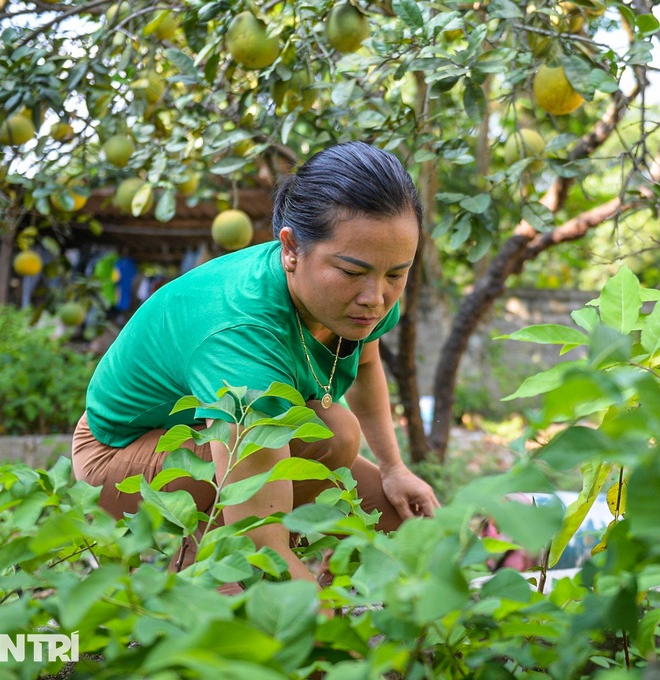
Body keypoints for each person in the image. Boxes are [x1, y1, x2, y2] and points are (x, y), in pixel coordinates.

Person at [71, 141, 439, 584]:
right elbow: (260, 544)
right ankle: (196, 582)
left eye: (396, 274)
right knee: (260, 572)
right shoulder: (240, 334)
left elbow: (363, 365)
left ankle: (215, 571)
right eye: (352, 272)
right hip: (118, 456)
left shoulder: (360, 297)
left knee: (400, 522)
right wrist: (308, 606)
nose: (375, 298)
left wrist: (395, 469)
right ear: (291, 248)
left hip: (213, 435)